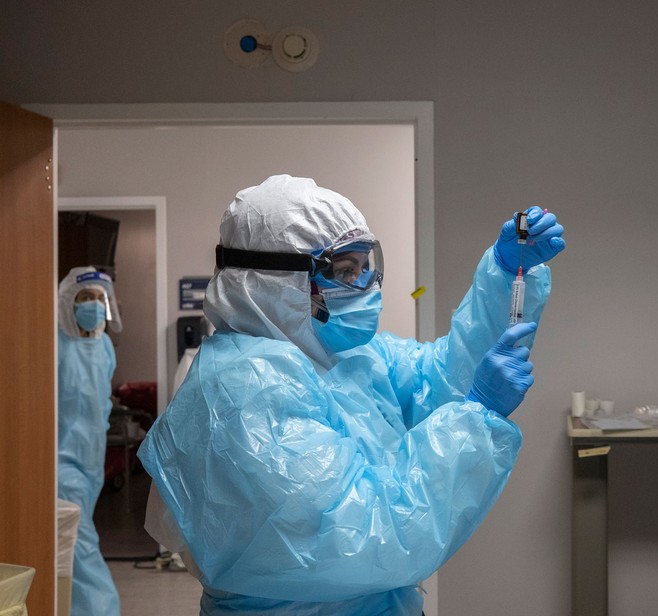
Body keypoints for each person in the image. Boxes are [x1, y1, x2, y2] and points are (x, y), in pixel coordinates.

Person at [138, 174, 565, 614]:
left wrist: (504, 275)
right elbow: (369, 538)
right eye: (344, 271)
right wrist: (477, 415)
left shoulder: (340, 354)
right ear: (277, 282)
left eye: (364, 267)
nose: (367, 287)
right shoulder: (245, 391)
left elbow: (440, 380)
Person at [56, 266, 123, 615]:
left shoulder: (104, 346)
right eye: (85, 297)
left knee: (70, 542)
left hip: (92, 462)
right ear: (69, 302)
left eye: (100, 299)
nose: (94, 306)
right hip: (60, 462)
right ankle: (102, 608)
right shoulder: (54, 346)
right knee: (81, 544)